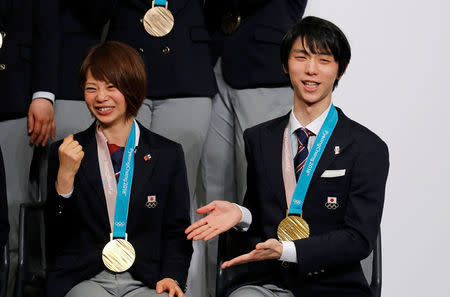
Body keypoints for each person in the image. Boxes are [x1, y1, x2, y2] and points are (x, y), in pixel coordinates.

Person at [186, 16, 389, 297]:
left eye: (324, 60)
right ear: (285, 65)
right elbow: (261, 213)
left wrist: (288, 250)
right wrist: (241, 215)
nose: (311, 70)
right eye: (301, 57)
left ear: (340, 70)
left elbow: (359, 238)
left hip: (335, 287)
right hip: (271, 283)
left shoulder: (367, 147)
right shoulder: (259, 138)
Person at [45, 41, 192, 297]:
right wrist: (65, 178)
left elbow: (176, 232)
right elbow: (56, 236)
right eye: (92, 88)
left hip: (147, 280)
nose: (101, 97)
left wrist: (171, 276)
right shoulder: (66, 151)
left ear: (132, 88)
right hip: (85, 279)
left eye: (111, 87)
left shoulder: (167, 154)